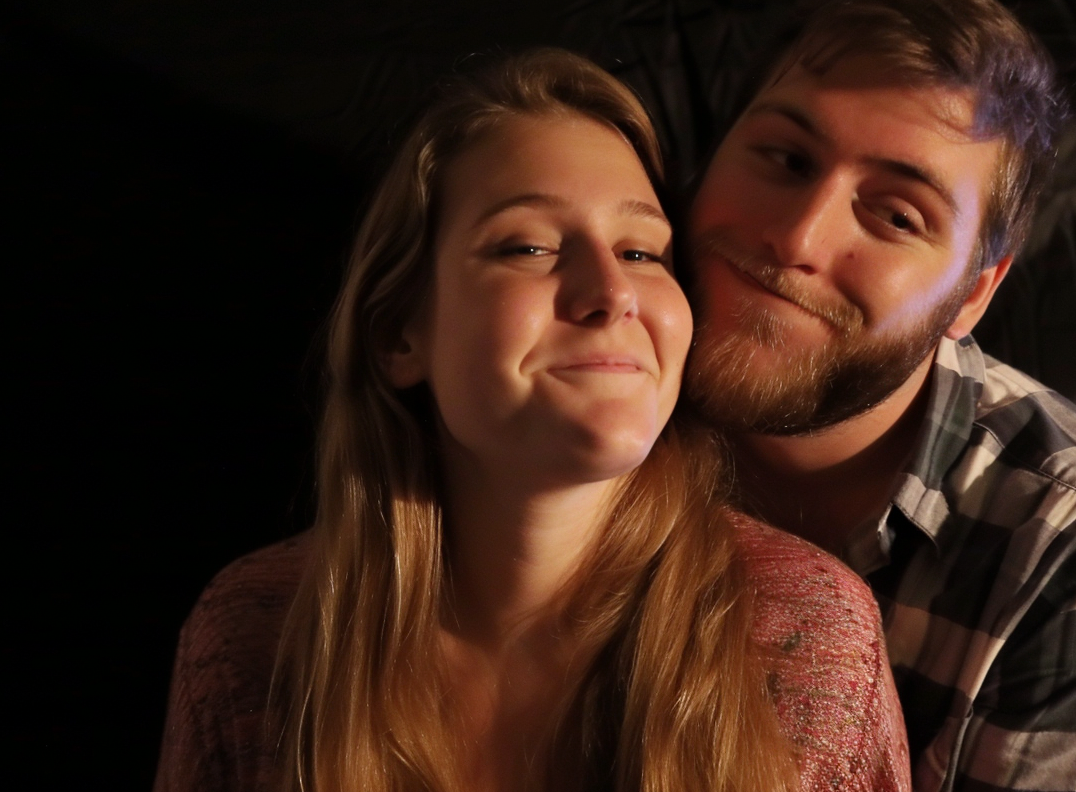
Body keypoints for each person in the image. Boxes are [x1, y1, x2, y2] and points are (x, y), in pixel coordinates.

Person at [153, 49, 909, 792]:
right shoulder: (255, 636)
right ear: (398, 336)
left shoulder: (804, 641)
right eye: (530, 246)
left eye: (643, 251)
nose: (611, 293)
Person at [680, 0, 1076, 791]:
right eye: (785, 159)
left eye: (896, 215)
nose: (798, 238)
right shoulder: (583, 391)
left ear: (973, 295)